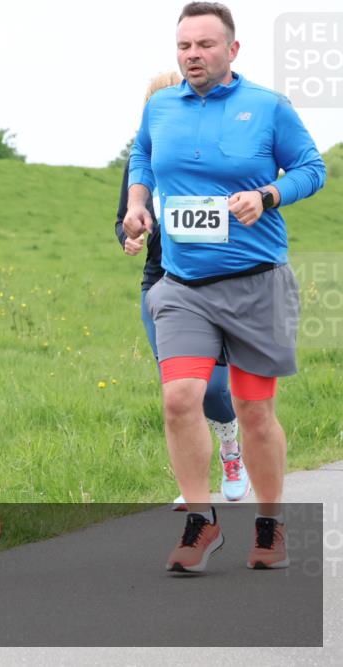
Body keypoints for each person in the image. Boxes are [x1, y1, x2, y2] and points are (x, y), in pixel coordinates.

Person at [124, 2, 326, 573]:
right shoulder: (160, 107)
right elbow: (141, 154)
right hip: (184, 285)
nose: (193, 55)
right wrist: (138, 206)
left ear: (231, 50)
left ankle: (269, 523)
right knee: (178, 398)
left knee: (254, 411)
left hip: (255, 283)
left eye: (205, 45)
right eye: (184, 46)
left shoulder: (267, 107)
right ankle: (201, 520)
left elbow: (312, 167)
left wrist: (267, 197)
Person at [115, 71, 250, 509]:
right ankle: (194, 488)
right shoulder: (141, 164)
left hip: (221, 284)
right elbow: (124, 219)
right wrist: (129, 236)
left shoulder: (219, 157)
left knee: (213, 389)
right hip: (162, 284)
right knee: (180, 393)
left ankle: (231, 448)